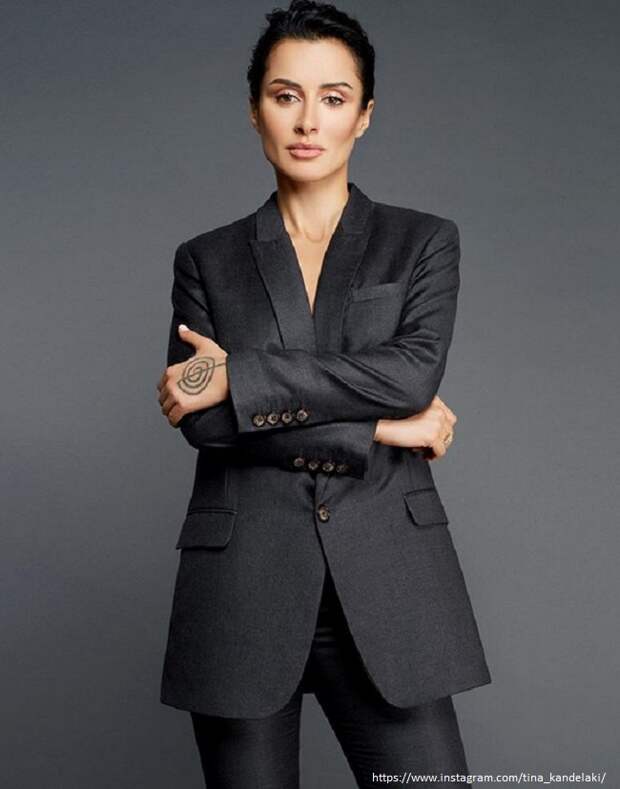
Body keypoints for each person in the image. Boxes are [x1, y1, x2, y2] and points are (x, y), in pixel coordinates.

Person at [156, 1, 491, 786]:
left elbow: (411, 374)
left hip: (390, 587)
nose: (308, 121)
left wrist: (243, 374)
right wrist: (381, 431)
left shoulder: (422, 241)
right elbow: (203, 424)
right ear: (255, 109)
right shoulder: (206, 260)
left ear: (363, 115)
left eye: (333, 98)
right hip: (242, 590)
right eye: (286, 95)